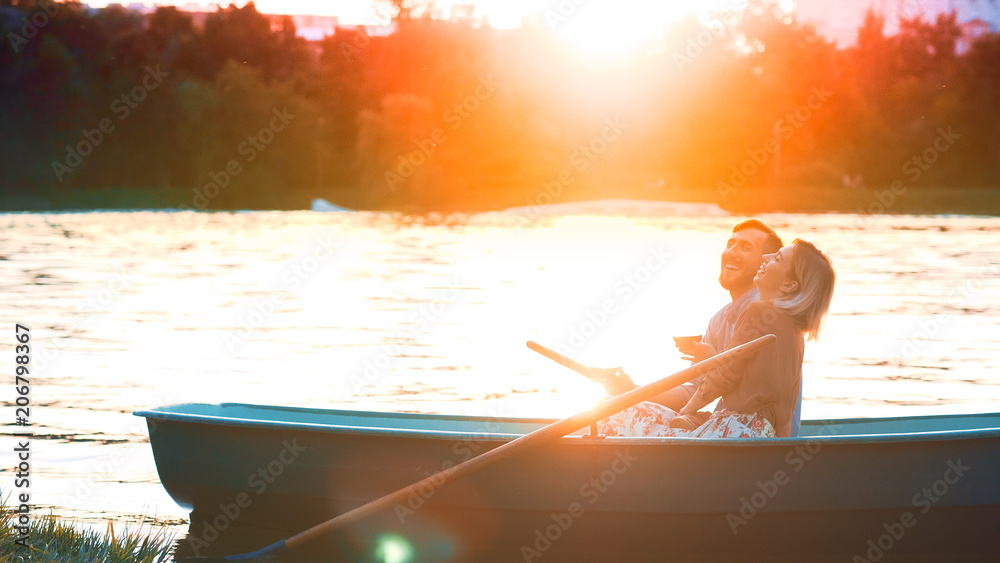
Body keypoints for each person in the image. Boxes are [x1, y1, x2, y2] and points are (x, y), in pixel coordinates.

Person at [597, 239, 835, 439]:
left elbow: (723, 377)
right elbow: (781, 406)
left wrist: (687, 409)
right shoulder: (796, 334)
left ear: (789, 285)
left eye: (777, 258)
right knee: (667, 419)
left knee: (614, 412)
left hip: (736, 431)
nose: (766, 257)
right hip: (760, 436)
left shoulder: (759, 312)